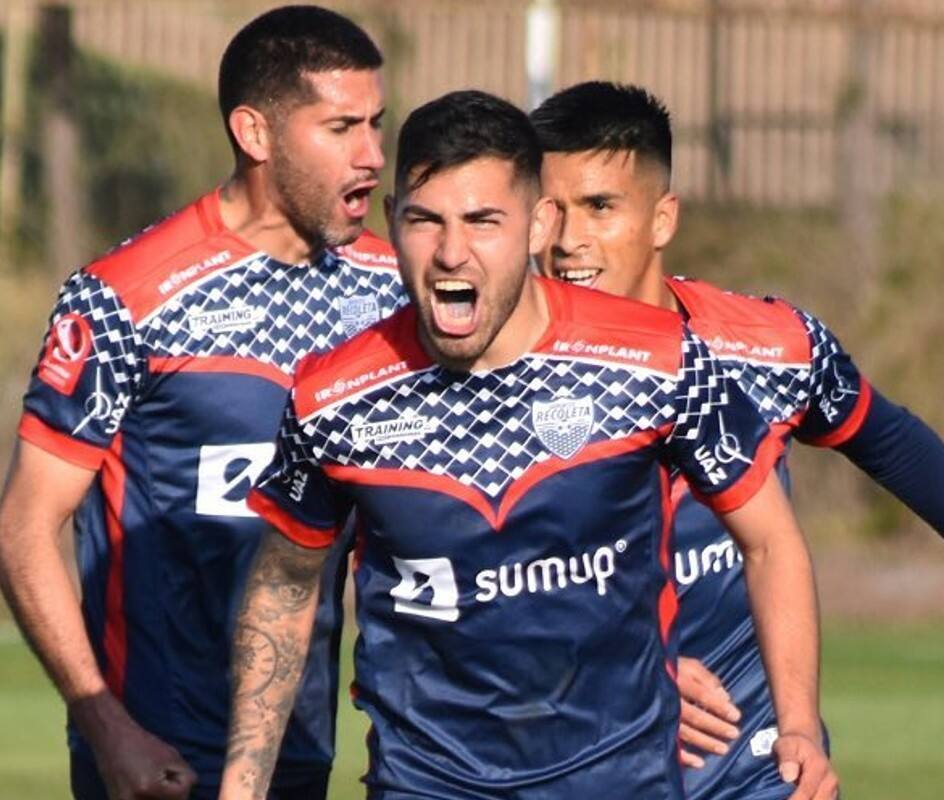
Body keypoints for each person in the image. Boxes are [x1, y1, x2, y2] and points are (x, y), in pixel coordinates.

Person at [219, 89, 836, 800]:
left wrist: (797, 726)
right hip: (429, 784)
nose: (452, 253)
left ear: (539, 225)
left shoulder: (659, 361)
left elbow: (770, 540)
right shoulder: (332, 398)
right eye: (425, 221)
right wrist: (242, 787)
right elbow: (286, 584)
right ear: (390, 219)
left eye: (483, 221)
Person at [0, 6, 406, 799]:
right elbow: (23, 531)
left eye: (376, 125)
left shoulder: (394, 296)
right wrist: (106, 728)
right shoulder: (125, 298)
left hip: (298, 746)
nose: (372, 156)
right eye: (342, 128)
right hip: (160, 755)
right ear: (255, 133)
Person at [530, 80, 944, 800]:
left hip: (757, 770)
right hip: (575, 759)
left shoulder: (772, 348)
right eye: (551, 211)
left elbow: (900, 450)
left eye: (599, 207)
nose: (568, 241)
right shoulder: (492, 373)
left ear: (662, 218)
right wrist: (619, 665)